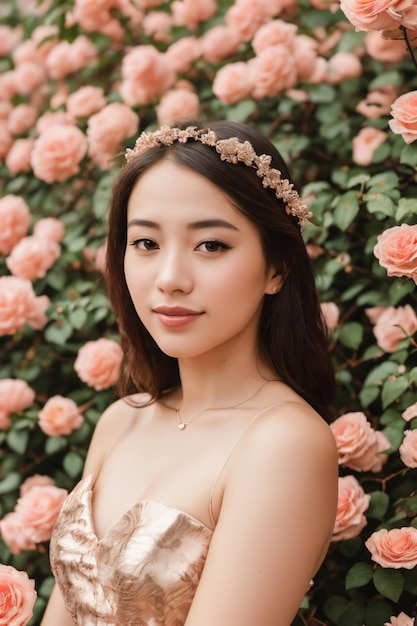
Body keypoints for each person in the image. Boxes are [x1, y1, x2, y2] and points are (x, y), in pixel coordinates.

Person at [41, 120, 338, 626]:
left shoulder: (285, 443)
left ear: (277, 268)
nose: (171, 280)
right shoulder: (121, 421)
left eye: (211, 246)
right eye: (147, 244)